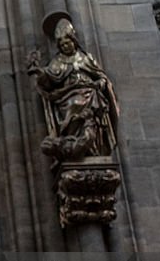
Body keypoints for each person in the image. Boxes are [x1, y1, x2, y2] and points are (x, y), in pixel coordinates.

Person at [27, 17, 118, 161]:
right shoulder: (58, 61)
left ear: (73, 41)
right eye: (62, 45)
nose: (65, 47)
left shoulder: (86, 58)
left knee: (93, 102)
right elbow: (49, 78)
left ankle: (94, 145)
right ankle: (73, 139)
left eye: (67, 43)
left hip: (91, 92)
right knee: (74, 104)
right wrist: (38, 71)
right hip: (69, 95)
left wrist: (100, 82)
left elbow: (101, 76)